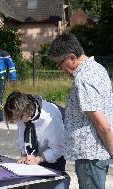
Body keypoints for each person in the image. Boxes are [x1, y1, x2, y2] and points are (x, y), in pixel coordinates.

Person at [48, 33, 113, 189]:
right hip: (94, 153)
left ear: (72, 57)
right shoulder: (97, 68)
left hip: (90, 155)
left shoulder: (83, 78)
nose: (60, 68)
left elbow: (101, 123)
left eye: (59, 63)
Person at [4, 91, 69, 189]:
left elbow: (59, 149)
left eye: (20, 117)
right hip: (34, 159)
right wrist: (24, 156)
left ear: (28, 110)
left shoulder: (50, 117)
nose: (18, 121)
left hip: (54, 159)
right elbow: (22, 137)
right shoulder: (21, 114)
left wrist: (38, 159)